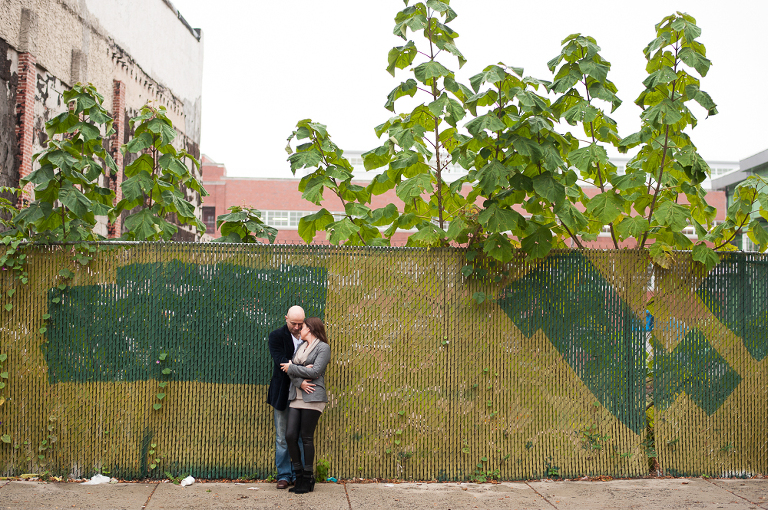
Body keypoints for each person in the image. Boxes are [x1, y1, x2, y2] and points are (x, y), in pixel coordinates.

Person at [280, 317, 330, 494]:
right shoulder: (301, 347)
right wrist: (300, 379)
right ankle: (299, 475)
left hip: (313, 396)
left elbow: (316, 371)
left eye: (302, 327)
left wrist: (293, 367)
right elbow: (290, 371)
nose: (299, 329)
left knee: (306, 437)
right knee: (290, 435)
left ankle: (308, 478)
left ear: (310, 329)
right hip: (297, 394)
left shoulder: (323, 348)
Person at [267, 305, 305, 489]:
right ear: (286, 319)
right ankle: (283, 475)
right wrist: (301, 369)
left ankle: (300, 475)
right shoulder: (276, 336)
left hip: (303, 394)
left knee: (299, 436)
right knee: (282, 436)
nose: (297, 327)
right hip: (283, 392)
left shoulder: (308, 335)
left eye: (300, 323)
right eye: (294, 324)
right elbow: (281, 362)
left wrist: (293, 366)